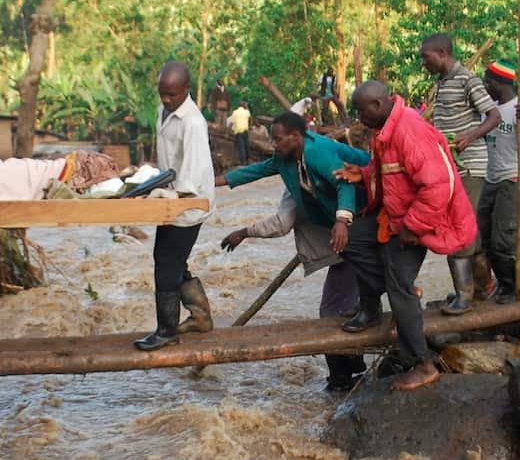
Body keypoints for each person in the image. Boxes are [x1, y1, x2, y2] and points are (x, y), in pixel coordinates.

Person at [333, 81, 476, 391]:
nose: (359, 118)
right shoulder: (386, 128)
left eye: (361, 111)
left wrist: (412, 226)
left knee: (399, 288)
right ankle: (390, 301)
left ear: (377, 105)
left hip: (415, 222)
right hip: (395, 217)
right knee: (351, 241)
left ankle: (422, 364)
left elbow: (439, 186)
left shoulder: (409, 130)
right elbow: (393, 172)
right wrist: (364, 175)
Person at [216, 111, 372, 390]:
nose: (274, 145)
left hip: (361, 220)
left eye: (277, 139)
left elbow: (344, 183)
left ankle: (342, 378)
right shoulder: (289, 164)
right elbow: (257, 170)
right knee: (342, 305)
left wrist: (341, 221)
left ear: (296, 137)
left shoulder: (318, 153)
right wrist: (217, 182)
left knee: (334, 310)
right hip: (341, 234)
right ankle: (351, 370)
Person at [135, 62, 216, 351]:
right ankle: (200, 316)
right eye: (162, 94)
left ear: (186, 91)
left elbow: (191, 175)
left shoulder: (193, 122)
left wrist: (167, 199)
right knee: (170, 258)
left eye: (172, 95)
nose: (166, 100)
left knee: (166, 264)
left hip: (188, 202)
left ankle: (167, 330)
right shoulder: (163, 110)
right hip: (170, 194)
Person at [419, 33, 502, 314]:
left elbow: (493, 116)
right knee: (467, 228)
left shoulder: (468, 79)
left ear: (442, 53)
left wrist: (469, 136)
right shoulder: (441, 83)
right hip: (451, 166)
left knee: (457, 228)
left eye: (425, 57)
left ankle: (464, 296)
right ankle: (483, 287)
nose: (423, 63)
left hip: (470, 165)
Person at [479, 62, 520, 301]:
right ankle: (503, 282)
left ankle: (519, 288)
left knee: (504, 238)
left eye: (488, 82)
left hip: (512, 177)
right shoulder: (491, 109)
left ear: (499, 83)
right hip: (491, 177)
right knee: (484, 235)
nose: (486, 86)